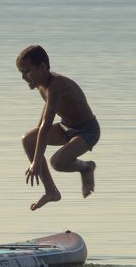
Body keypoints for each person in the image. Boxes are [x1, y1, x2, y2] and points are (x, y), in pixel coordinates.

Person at [17, 44, 100, 211]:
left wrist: (36, 162)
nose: (24, 77)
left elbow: (47, 125)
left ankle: (86, 167)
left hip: (87, 131)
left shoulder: (56, 85)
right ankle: (51, 191)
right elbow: (42, 123)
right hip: (66, 128)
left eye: (27, 71)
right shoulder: (42, 86)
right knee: (28, 140)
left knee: (57, 162)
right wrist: (35, 154)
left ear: (42, 67)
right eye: (21, 73)